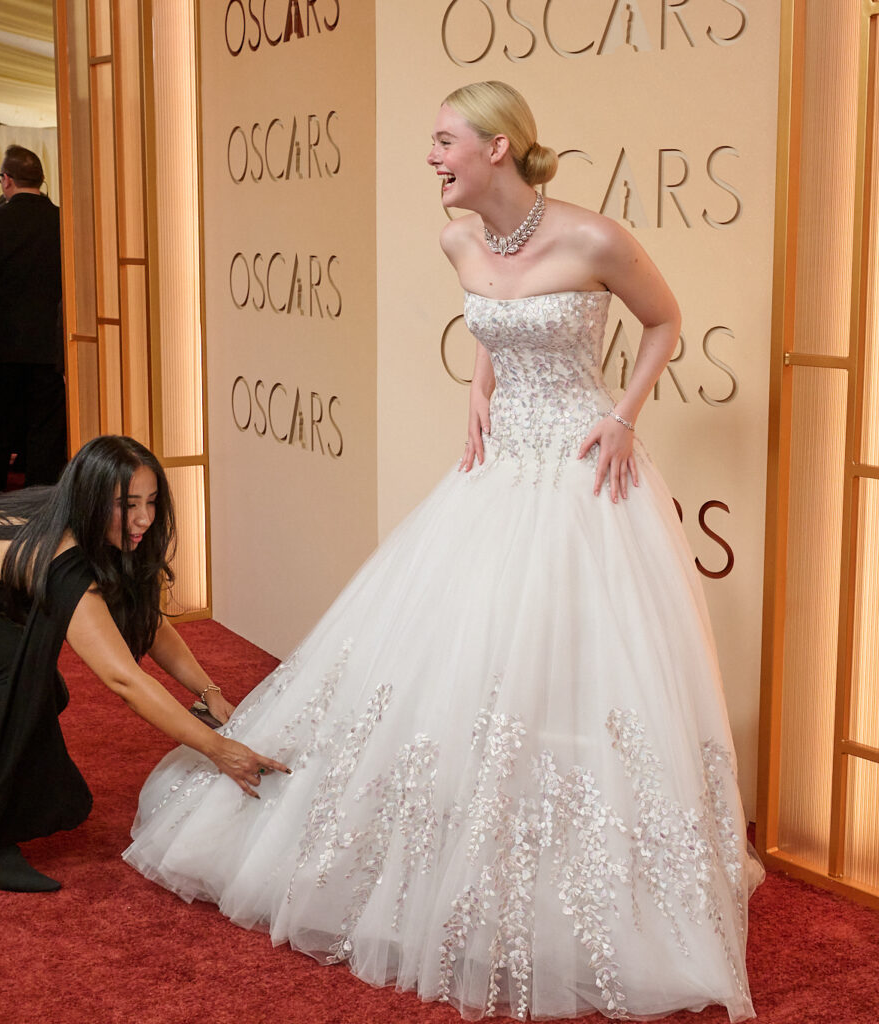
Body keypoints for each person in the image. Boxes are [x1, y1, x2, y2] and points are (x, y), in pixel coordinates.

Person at [125, 81, 758, 1021]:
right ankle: (457, 843)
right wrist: (480, 383)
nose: (431, 157)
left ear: (498, 148)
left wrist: (623, 418)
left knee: (579, 670)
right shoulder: (459, 237)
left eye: (444, 141)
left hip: (584, 474)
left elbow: (662, 321)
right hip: (496, 468)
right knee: (472, 658)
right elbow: (493, 315)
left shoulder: (595, 239)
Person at [0, 435, 288, 892]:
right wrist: (219, 750)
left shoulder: (90, 525)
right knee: (18, 674)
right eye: (127, 504)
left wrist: (209, 692)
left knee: (42, 686)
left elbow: (148, 623)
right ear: (92, 500)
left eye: (152, 502)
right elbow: (123, 679)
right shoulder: (64, 554)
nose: (143, 519)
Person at [0, 144, 65, 492]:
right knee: (45, 440)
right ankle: (42, 513)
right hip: (49, 349)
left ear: (6, 180)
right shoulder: (63, 222)